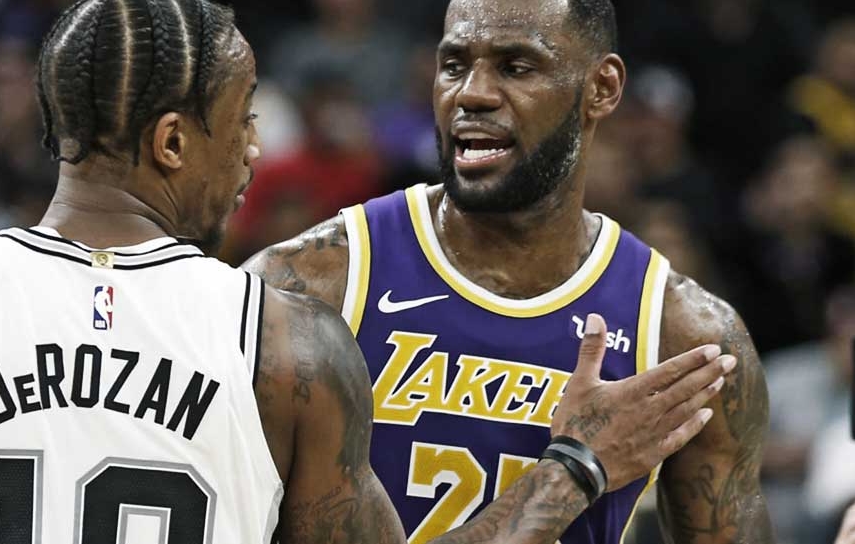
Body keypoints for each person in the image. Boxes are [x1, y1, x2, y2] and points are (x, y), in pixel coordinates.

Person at [0, 1, 732, 543]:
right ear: (175, 142)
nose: (257, 148)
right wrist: (573, 468)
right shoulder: (287, 340)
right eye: (243, 118)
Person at [243, 0, 773, 542]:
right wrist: (578, 465)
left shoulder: (685, 337)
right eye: (453, 65)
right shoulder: (308, 286)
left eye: (516, 67)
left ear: (603, 88)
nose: (471, 93)